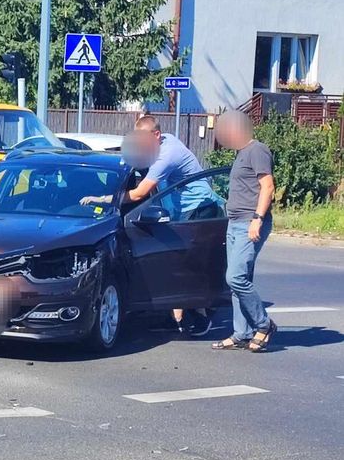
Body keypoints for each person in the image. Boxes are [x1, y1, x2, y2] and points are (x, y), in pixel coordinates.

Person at [82, 115, 214, 335]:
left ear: (156, 135)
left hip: (199, 208)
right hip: (181, 209)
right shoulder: (165, 141)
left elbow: (140, 193)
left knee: (184, 263)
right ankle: (177, 317)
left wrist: (105, 199)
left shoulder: (166, 155)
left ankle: (200, 316)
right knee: (174, 260)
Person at [211, 110, 276, 353]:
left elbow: (267, 186)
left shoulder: (257, 150)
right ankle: (242, 333)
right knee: (240, 281)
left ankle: (263, 324)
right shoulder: (241, 153)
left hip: (249, 222)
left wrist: (257, 219)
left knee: (235, 277)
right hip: (235, 222)